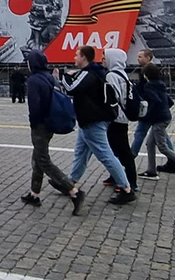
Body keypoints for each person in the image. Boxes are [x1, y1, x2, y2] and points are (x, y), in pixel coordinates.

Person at [57, 45, 135, 205]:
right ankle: (70, 182)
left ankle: (126, 188)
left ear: (84, 58)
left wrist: (63, 76)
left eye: (76, 55)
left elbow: (71, 88)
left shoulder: (89, 74)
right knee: (81, 152)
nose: (74, 58)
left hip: (92, 120)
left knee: (105, 154)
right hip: (90, 120)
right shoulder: (97, 72)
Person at [20, 49, 86, 214]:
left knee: (43, 160)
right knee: (37, 158)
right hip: (50, 123)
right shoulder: (50, 78)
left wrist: (33, 123)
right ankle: (34, 193)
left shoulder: (34, 80)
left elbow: (34, 106)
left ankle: (73, 191)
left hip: (40, 125)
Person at [134, 48, 175, 175]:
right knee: (162, 136)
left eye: (141, 56)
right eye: (138, 57)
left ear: (148, 58)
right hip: (155, 112)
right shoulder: (148, 70)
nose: (138, 59)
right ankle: (171, 162)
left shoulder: (149, 71)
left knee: (140, 134)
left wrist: (149, 112)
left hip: (150, 111)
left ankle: (130, 158)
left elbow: (153, 94)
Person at [100, 49, 137, 193]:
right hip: (122, 116)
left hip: (116, 117)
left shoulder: (111, 76)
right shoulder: (122, 74)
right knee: (115, 149)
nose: (103, 60)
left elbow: (112, 97)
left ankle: (130, 182)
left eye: (105, 57)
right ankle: (116, 176)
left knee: (121, 150)